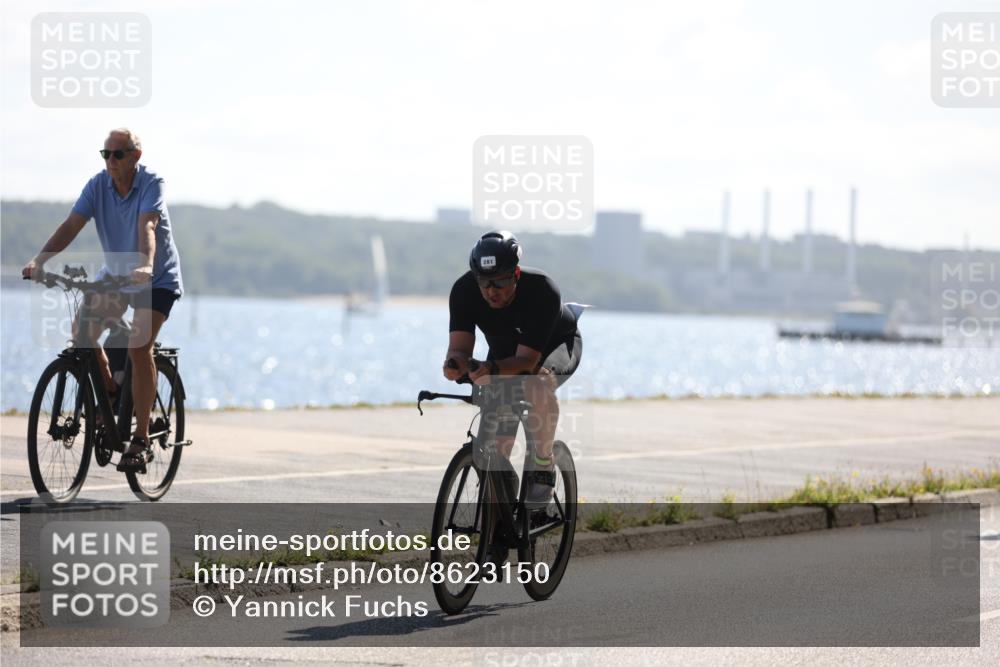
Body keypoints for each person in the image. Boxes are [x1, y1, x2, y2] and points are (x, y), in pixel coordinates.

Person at [22, 128, 184, 473]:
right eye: (105, 154)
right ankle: (110, 395)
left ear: (135, 157)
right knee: (82, 335)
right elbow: (71, 225)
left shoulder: (151, 183)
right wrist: (40, 261)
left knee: (140, 347)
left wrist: (144, 264)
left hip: (156, 278)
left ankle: (140, 439)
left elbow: (149, 228)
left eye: (118, 154)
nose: (110, 161)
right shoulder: (97, 185)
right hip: (116, 276)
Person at [444, 230, 582, 506]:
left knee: (536, 383)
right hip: (505, 353)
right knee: (496, 448)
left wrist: (489, 369)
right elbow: (458, 351)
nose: (492, 291)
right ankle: (497, 534)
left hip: (553, 346)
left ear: (516, 275)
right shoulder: (464, 290)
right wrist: (455, 366)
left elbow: (527, 363)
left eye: (501, 282)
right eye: (484, 283)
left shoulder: (542, 288)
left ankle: (543, 467)